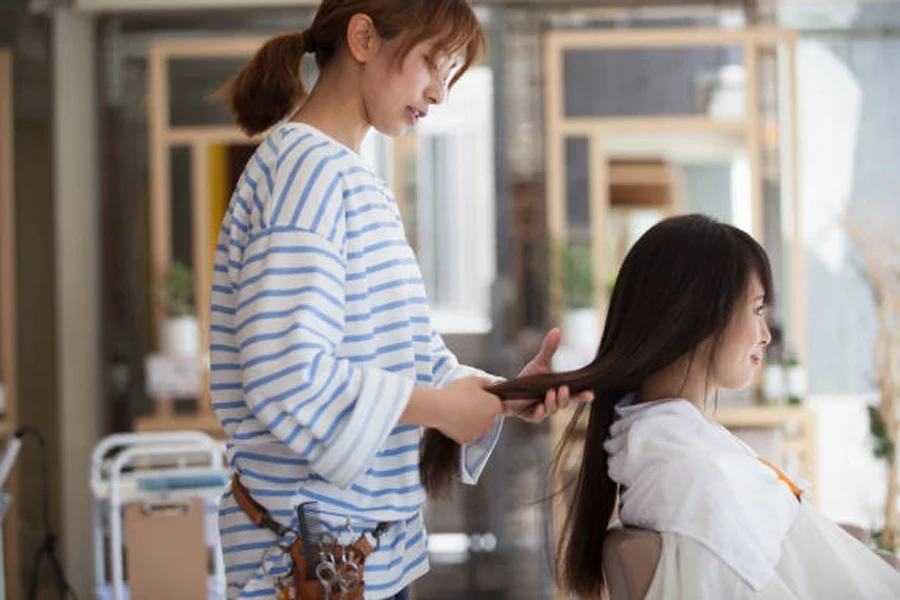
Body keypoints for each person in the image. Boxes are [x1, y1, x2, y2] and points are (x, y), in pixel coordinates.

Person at [209, 2, 592, 598]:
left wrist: (499, 397)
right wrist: (441, 410)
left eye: (450, 74)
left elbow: (404, 358)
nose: (439, 93)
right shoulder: (305, 172)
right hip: (312, 560)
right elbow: (286, 377)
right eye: (433, 64)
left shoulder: (347, 178)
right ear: (363, 37)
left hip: (349, 555)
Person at [491, 214, 900, 599]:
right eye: (757, 309)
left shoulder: (670, 451)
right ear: (700, 317)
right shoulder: (692, 476)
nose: (764, 335)